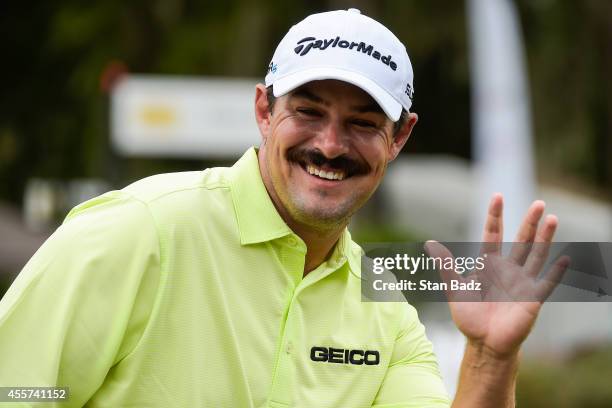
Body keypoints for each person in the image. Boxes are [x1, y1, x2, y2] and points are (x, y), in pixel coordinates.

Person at [0, 9, 565, 407]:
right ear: (264, 110)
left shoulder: (387, 316)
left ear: (400, 138)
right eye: (309, 111)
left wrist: (490, 357)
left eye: (363, 123)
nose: (330, 145)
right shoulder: (139, 229)